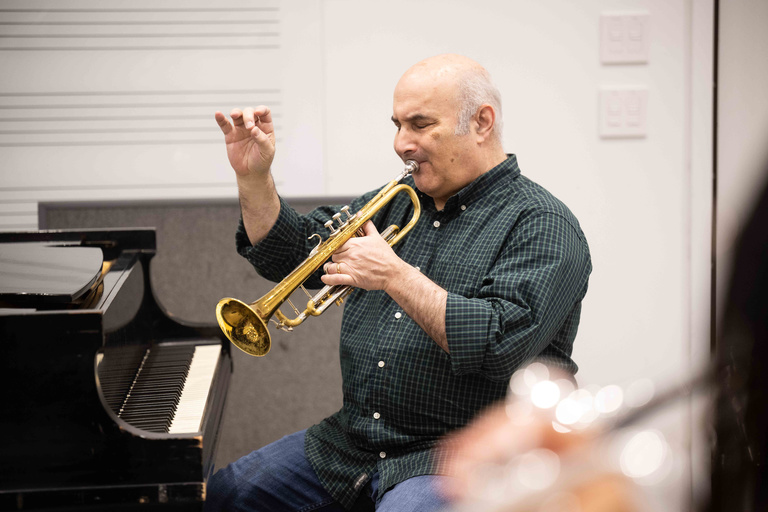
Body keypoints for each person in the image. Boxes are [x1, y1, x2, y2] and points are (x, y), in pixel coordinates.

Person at [205, 54, 592, 512]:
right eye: (397, 125)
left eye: (420, 124)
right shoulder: (394, 204)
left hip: (460, 454)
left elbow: (498, 342)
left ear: (482, 122)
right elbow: (290, 255)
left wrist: (394, 275)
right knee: (226, 494)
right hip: (353, 444)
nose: (401, 143)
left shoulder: (541, 223)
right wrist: (253, 178)